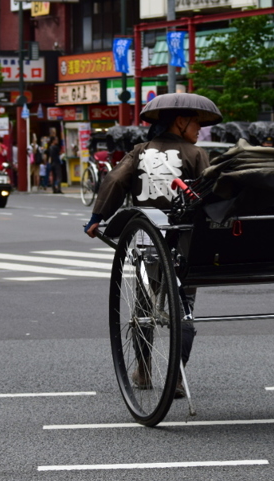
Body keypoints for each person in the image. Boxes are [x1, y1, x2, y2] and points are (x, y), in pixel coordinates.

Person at [84, 93, 223, 398]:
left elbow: (115, 182)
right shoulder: (196, 155)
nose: (199, 128)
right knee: (183, 308)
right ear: (180, 121)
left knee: (144, 307)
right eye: (196, 122)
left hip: (148, 238)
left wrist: (98, 217)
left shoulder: (140, 151)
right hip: (186, 241)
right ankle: (176, 377)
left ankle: (144, 371)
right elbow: (211, 195)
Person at [47, 127, 63, 194]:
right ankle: (58, 189)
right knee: (59, 176)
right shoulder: (56, 147)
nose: (57, 141)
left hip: (52, 163)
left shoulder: (50, 147)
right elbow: (60, 153)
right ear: (53, 141)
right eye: (56, 140)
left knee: (54, 177)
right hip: (56, 162)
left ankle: (54, 189)